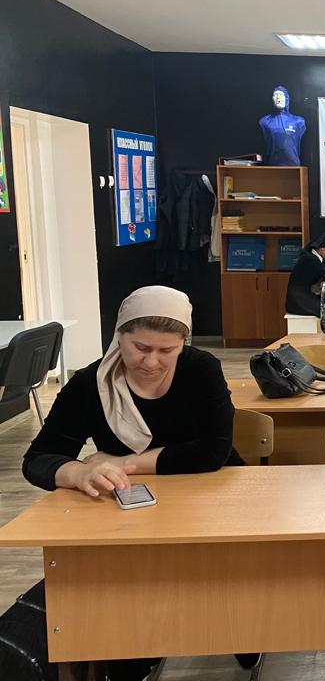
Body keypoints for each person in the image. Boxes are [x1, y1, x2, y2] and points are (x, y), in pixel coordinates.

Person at [22, 285, 254, 680]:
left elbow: (213, 451)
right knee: (128, 589)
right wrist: (78, 471)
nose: (151, 361)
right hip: (136, 511)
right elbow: (38, 460)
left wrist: (120, 463)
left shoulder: (201, 369)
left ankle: (239, 629)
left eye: (167, 351)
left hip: (213, 497)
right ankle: (134, 653)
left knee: (230, 574)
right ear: (120, 336)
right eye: (140, 348)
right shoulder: (91, 385)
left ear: (183, 344)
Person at [285, 231, 325, 315]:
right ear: (323, 248)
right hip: (298, 299)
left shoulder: (318, 258)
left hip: (306, 294)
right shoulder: (310, 259)